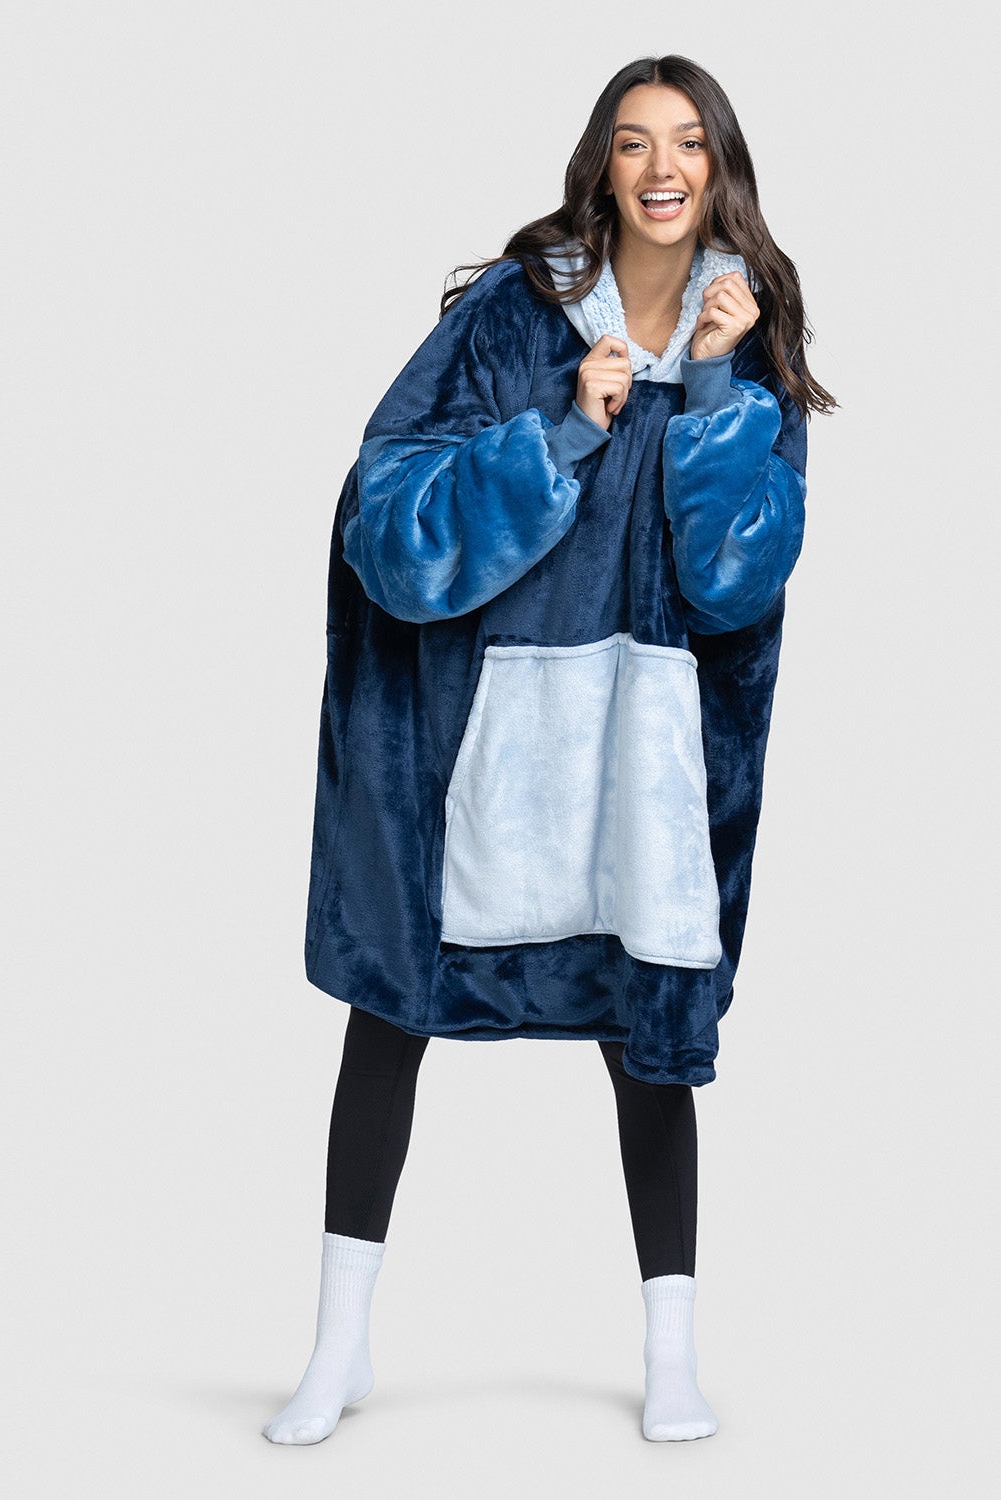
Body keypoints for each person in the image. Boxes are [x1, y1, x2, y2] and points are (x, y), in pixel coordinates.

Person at [264, 53, 837, 1447]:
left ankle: (672, 1359)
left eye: (688, 143)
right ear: (603, 164)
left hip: (646, 748)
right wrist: (560, 432)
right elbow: (387, 511)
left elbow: (736, 583)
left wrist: (713, 386)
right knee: (391, 1020)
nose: (662, 167)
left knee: (650, 1043)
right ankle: (336, 1351)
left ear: (719, 167)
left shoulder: (747, 338)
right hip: (477, 738)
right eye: (635, 142)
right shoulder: (515, 317)